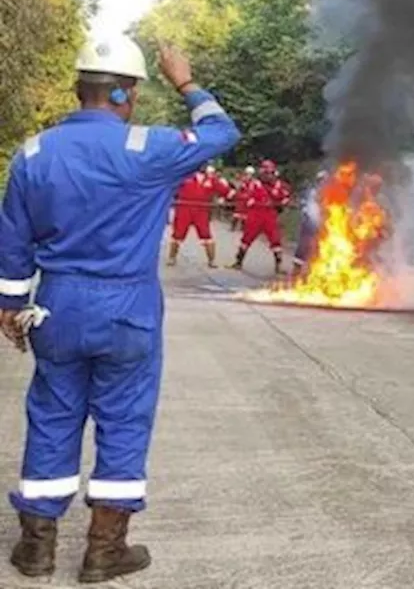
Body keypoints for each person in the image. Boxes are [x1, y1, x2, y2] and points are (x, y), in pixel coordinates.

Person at [0, 34, 240, 582]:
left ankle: (36, 548)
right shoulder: (147, 148)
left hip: (57, 303)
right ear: (123, 95)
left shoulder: (34, 153)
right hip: (128, 305)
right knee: (124, 419)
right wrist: (185, 79)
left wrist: (9, 304)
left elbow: (11, 242)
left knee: (53, 415)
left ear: (79, 90)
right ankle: (104, 551)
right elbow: (223, 132)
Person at [230, 160, 292, 275]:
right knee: (247, 238)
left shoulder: (280, 185)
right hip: (255, 214)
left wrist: (282, 203)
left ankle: (278, 266)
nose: (268, 175)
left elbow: (286, 197)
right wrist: (248, 200)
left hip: (270, 215)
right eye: (266, 173)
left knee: (275, 240)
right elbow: (245, 195)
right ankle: (238, 261)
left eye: (270, 173)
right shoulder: (254, 184)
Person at [166, 164, 232, 268]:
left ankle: (211, 260)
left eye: (204, 165)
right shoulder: (184, 176)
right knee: (178, 234)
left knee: (206, 234)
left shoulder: (211, 179)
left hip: (201, 211)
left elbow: (227, 192)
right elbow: (170, 188)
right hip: (184, 209)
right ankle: (171, 257)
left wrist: (229, 199)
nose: (202, 167)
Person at [292, 169, 327, 277]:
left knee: (318, 248)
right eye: (322, 180)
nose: (323, 183)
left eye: (325, 181)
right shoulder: (312, 192)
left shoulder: (329, 192)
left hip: (321, 224)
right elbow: (306, 206)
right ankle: (296, 272)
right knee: (304, 246)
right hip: (309, 223)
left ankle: (311, 273)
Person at [228, 165, 254, 232]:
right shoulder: (242, 182)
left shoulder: (253, 183)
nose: (249, 176)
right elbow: (238, 189)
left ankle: (243, 228)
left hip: (248, 200)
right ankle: (232, 227)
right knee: (236, 214)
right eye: (248, 174)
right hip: (240, 200)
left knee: (245, 216)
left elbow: (253, 191)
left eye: (250, 174)